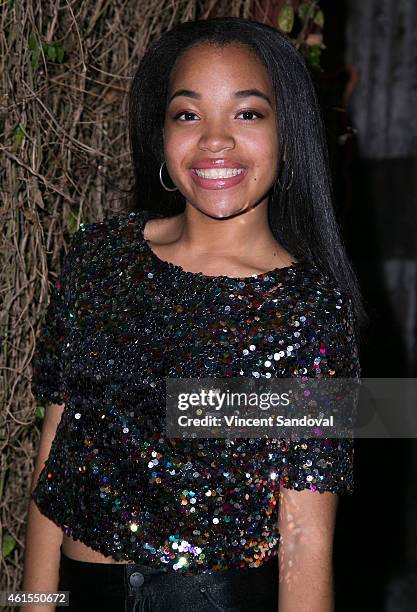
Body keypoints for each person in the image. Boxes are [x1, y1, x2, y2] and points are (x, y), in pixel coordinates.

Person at [22, 16, 365, 612]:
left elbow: (305, 538)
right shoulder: (99, 259)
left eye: (248, 113)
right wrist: (31, 602)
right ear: (161, 134)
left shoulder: (306, 310)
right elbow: (56, 450)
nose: (215, 139)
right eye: (187, 114)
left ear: (289, 134)